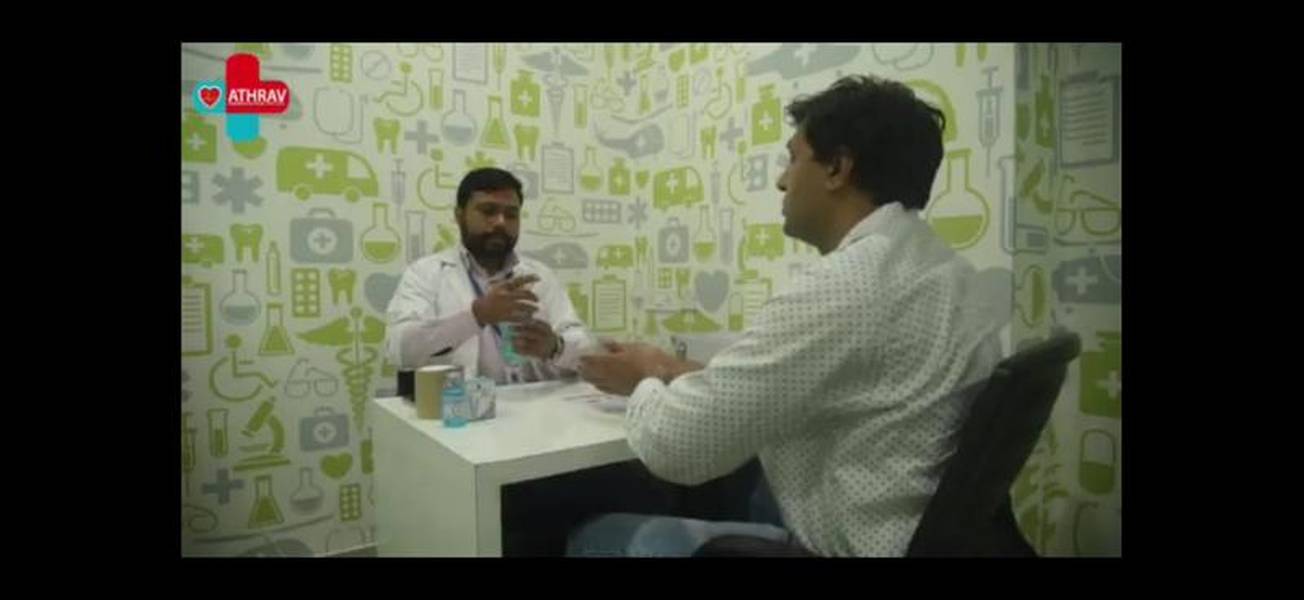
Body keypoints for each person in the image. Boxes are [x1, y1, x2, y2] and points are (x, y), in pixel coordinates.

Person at [569, 74, 1004, 557]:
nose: (781, 180)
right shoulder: (947, 271)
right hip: (918, 530)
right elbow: (820, 383)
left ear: (836, 168)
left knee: (596, 536)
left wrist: (644, 376)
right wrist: (674, 369)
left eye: (793, 158)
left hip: (849, 545)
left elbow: (679, 447)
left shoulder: (848, 283)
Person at [385, 167, 591, 382]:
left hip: (535, 400)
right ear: (459, 216)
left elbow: (584, 348)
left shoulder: (540, 276)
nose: (501, 222)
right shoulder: (425, 273)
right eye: (488, 211)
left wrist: (555, 346)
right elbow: (400, 351)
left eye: (511, 214)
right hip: (459, 402)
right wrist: (477, 316)